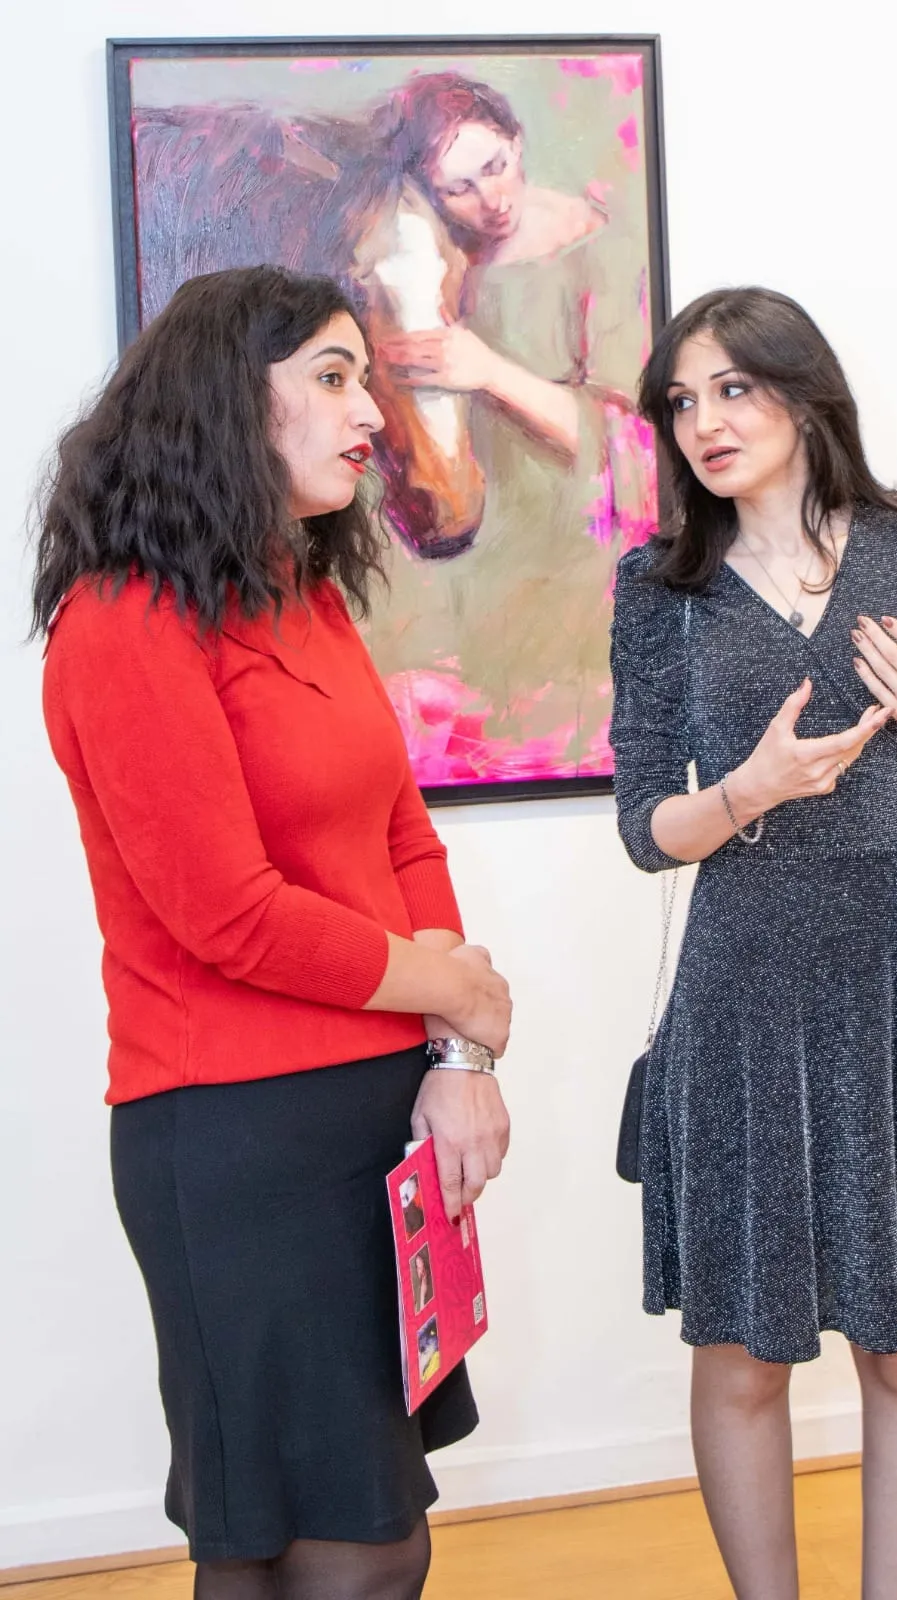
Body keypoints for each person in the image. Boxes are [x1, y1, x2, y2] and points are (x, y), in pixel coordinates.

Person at [33, 265, 513, 1600]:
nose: (371, 412)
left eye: (367, 377)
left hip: (369, 1116)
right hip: (233, 1139)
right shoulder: (121, 623)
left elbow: (404, 838)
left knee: (295, 1544)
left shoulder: (307, 598)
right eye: (333, 376)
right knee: (344, 1546)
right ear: (223, 401)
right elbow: (225, 913)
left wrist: (455, 1056)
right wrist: (455, 992)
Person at [609, 286, 897, 1599]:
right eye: (682, 402)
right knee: (742, 1349)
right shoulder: (659, 589)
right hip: (743, 983)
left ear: (800, 392)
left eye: (732, 388)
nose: (704, 422)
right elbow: (644, 826)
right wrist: (747, 792)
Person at [365, 72, 659, 781]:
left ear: (518, 143)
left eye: (497, 166)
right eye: (459, 188)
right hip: (464, 564)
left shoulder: (599, 249)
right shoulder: (432, 259)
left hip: (566, 565)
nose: (491, 199)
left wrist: (487, 371)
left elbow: (635, 446)